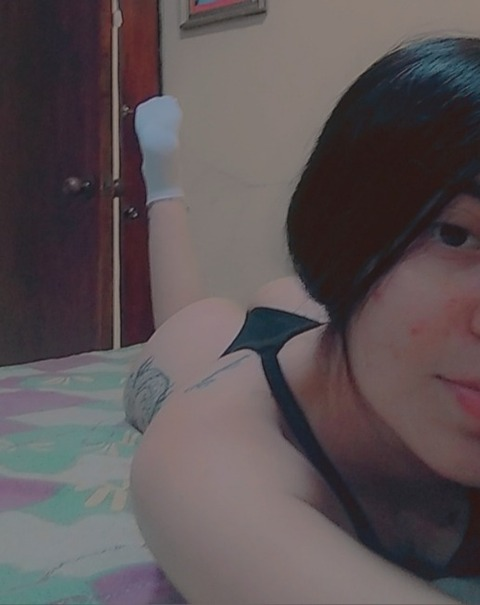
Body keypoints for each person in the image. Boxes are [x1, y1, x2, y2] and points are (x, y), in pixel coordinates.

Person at [125, 36, 480, 604]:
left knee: (295, 299)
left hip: (335, 336)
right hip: (253, 374)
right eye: (456, 235)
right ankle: (164, 181)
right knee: (196, 323)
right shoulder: (202, 456)